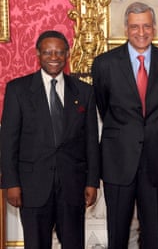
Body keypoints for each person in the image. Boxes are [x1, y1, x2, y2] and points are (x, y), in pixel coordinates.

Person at [91, 2, 158, 249]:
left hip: (155, 159)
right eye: (134, 26)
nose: (140, 32)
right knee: (117, 233)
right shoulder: (104, 64)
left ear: (154, 28)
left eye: (146, 26)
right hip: (117, 160)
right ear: (126, 29)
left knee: (152, 234)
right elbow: (104, 107)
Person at [0, 30, 100, 248]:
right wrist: (11, 183)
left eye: (59, 52)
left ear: (67, 54)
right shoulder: (18, 90)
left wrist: (92, 181)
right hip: (32, 186)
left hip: (72, 185)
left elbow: (91, 141)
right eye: (48, 52)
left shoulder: (84, 92)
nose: (54, 57)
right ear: (38, 54)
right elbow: (8, 140)